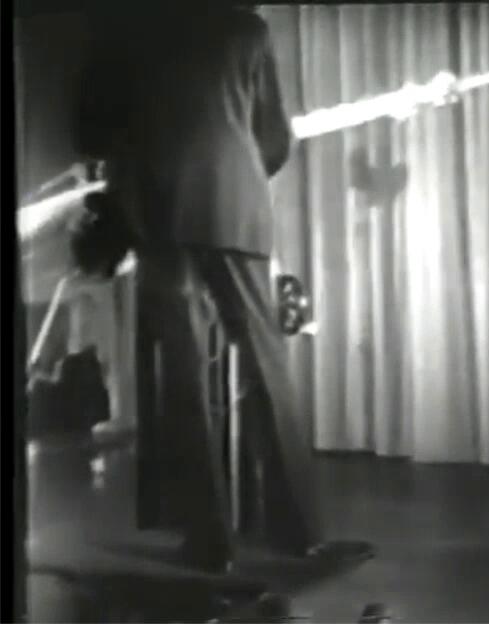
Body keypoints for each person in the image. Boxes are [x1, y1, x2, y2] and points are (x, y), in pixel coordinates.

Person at [74, 4, 325, 571]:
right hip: (238, 207)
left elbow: (87, 132)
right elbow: (274, 139)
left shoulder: (126, 24)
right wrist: (232, 172)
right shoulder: (246, 27)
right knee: (267, 365)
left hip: (159, 212)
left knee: (183, 380)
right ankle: (299, 530)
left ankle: (210, 541)